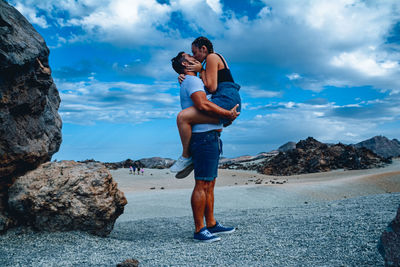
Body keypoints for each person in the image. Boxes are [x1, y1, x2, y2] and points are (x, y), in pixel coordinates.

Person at [171, 51, 237, 242]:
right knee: (202, 184)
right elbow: (203, 105)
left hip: (211, 137)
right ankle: (200, 229)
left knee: (209, 184)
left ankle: (211, 224)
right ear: (185, 63)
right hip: (204, 138)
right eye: (189, 56)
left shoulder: (193, 80)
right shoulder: (191, 82)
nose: (193, 56)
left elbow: (209, 91)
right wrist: (227, 114)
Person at [170, 37, 241, 174]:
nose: (194, 56)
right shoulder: (211, 60)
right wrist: (185, 77)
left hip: (227, 99)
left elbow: (212, 87)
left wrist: (200, 70)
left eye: (194, 52)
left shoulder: (212, 57)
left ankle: (186, 156)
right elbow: (207, 88)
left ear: (203, 49)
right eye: (191, 54)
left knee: (183, 117)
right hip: (227, 98)